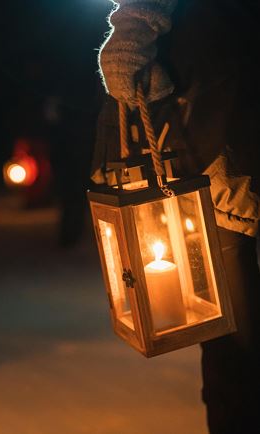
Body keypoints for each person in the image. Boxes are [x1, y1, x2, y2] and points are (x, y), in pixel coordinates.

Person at [94, 1, 260, 433]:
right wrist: (136, 27)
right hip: (220, 129)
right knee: (233, 341)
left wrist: (134, 26)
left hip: (223, 114)